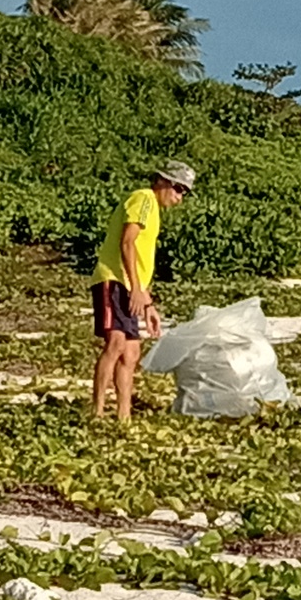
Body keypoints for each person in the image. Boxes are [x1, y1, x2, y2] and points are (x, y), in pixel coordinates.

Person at [90, 161, 195, 421]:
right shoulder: (145, 198)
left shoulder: (155, 212)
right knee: (115, 343)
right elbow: (127, 243)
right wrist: (135, 288)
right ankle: (97, 411)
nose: (180, 197)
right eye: (178, 189)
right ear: (163, 182)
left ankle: (123, 415)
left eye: (185, 192)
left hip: (132, 286)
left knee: (132, 351)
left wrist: (147, 303)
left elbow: (142, 260)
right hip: (114, 279)